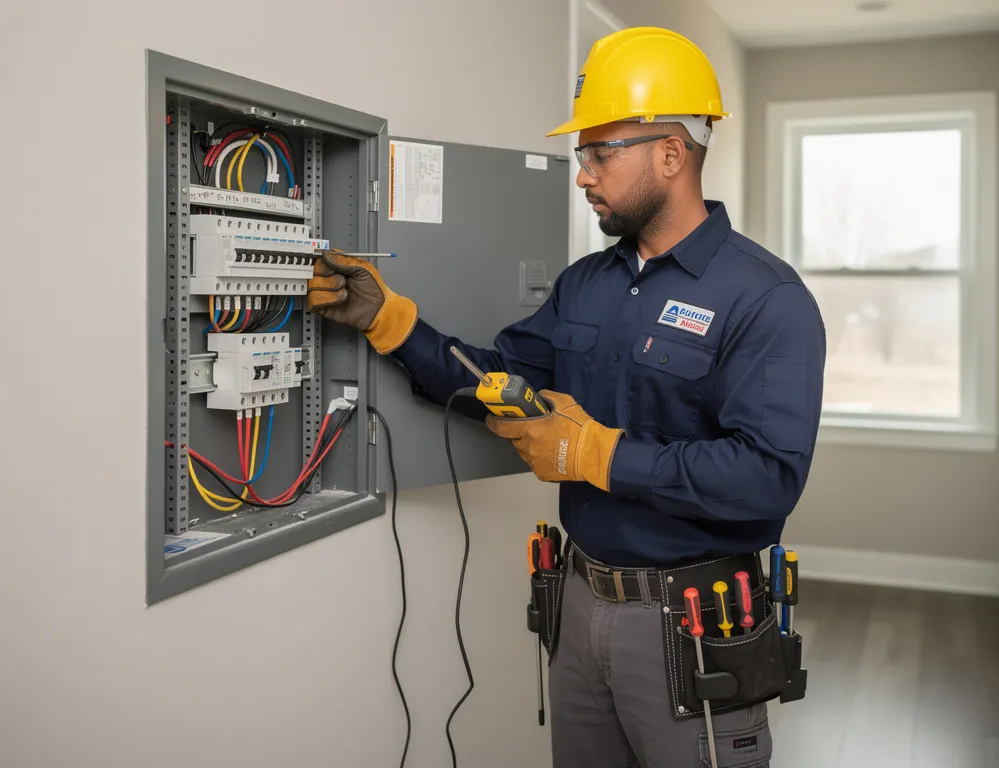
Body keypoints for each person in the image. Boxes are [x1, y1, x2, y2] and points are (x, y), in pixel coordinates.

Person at [307, 26, 825, 768]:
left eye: (598, 154)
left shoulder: (765, 298)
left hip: (691, 623)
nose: (582, 175)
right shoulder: (588, 283)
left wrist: (598, 454)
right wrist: (391, 322)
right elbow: (498, 383)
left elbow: (766, 476)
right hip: (578, 606)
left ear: (671, 154)